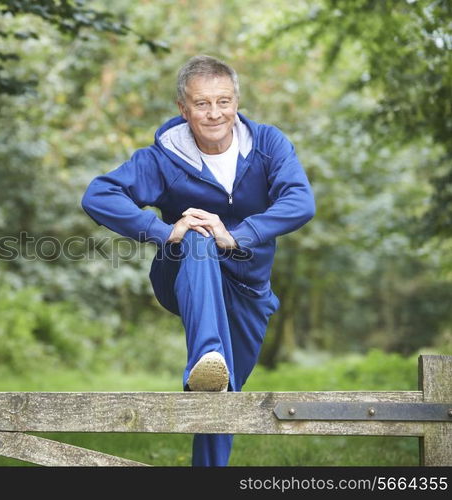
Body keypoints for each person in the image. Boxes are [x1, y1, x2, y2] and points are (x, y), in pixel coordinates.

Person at [80, 55, 315, 466]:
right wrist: (163, 230)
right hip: (184, 276)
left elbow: (300, 201)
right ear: (183, 109)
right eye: (202, 104)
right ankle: (207, 351)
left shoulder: (268, 145)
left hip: (248, 287)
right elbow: (98, 195)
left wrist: (237, 234)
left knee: (220, 400)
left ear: (237, 101)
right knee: (198, 234)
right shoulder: (162, 159)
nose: (214, 113)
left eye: (223, 101)